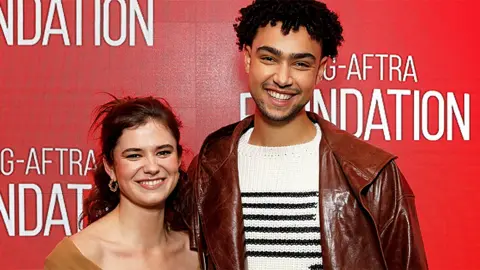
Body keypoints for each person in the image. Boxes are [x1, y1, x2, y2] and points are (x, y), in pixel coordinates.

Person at [186, 0, 428, 269]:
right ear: (247, 58)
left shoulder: (372, 174)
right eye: (269, 58)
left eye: (300, 64)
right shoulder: (209, 167)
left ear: (321, 70)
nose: (283, 77)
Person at [45, 96, 199, 270]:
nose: (152, 167)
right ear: (110, 167)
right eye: (134, 155)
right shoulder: (76, 259)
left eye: (163, 152)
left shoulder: (197, 253)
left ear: (178, 159)